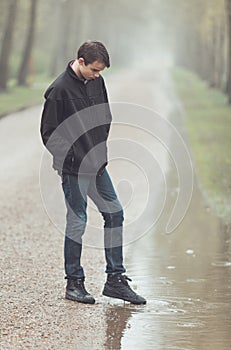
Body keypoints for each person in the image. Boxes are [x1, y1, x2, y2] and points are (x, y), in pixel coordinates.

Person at [40, 40, 146, 305]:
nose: (98, 75)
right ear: (81, 61)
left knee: (115, 213)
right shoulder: (58, 90)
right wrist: (74, 157)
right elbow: (49, 134)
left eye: (101, 71)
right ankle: (74, 283)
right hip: (73, 168)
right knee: (77, 221)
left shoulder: (97, 82)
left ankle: (115, 281)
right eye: (95, 70)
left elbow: (105, 116)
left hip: (97, 166)